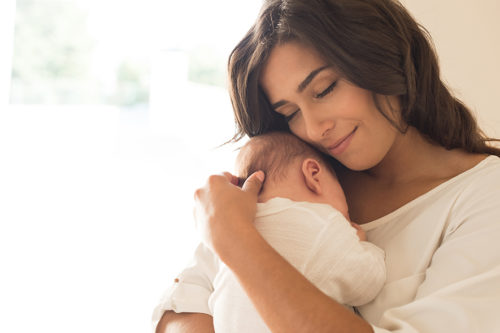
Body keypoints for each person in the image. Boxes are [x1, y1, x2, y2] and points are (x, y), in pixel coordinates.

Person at [156, 0, 500, 332]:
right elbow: (179, 310)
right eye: (289, 113)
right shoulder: (297, 180)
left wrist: (237, 240)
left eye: (325, 89)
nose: (313, 128)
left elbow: (222, 254)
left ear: (383, 57)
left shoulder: (483, 197)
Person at [153, 131, 386, 332]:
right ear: (314, 174)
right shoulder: (323, 224)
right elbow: (367, 283)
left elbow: (188, 288)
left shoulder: (227, 229)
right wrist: (363, 245)